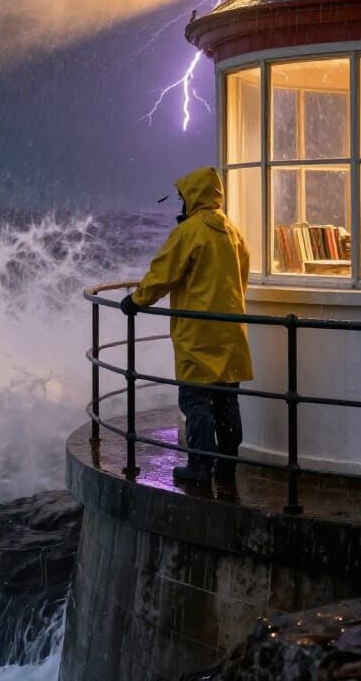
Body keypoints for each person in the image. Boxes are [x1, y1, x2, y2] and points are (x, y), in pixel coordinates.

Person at [120, 166, 252, 487]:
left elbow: (163, 274)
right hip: (231, 333)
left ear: (192, 197)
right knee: (226, 404)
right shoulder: (233, 232)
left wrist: (136, 300)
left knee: (196, 402)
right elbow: (242, 277)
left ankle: (200, 468)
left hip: (198, 335)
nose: (179, 203)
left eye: (182, 197)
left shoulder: (189, 232)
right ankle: (227, 467)